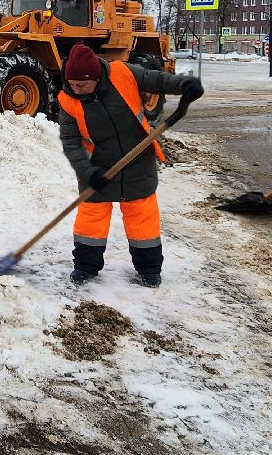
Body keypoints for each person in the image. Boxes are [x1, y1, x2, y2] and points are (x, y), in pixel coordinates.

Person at [56, 44, 203, 288]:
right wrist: (88, 172)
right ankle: (85, 266)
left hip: (137, 161)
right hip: (98, 168)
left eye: (81, 84)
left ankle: (149, 269)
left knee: (143, 219)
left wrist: (183, 84)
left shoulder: (123, 73)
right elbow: (71, 143)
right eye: (72, 84)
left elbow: (155, 80)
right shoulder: (68, 101)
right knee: (90, 220)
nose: (76, 89)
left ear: (95, 77)